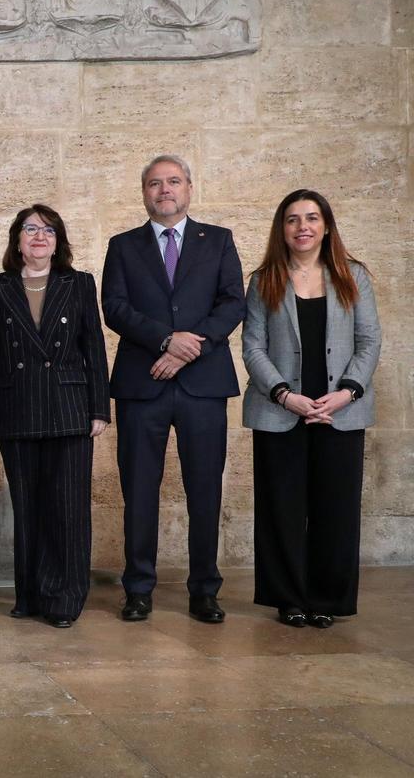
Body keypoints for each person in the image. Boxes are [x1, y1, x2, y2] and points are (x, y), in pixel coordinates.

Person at [101, 154, 246, 624]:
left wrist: (187, 348)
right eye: (155, 184)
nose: (165, 190)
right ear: (144, 192)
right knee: (139, 490)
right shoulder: (123, 246)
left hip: (203, 386)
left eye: (173, 182)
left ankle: (204, 589)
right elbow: (115, 309)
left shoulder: (218, 241)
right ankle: (138, 588)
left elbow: (232, 304)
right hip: (142, 387)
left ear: (189, 188)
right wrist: (165, 339)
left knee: (205, 490)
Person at [242, 189, 381, 629]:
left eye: (312, 218)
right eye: (292, 219)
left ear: (326, 225)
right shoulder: (264, 279)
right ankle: (289, 598)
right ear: (281, 229)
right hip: (281, 410)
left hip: (340, 411)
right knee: (280, 509)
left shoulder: (352, 275)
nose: (302, 227)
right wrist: (285, 394)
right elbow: (252, 346)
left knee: (335, 510)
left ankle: (327, 598)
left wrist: (347, 393)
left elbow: (369, 340)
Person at [0, 204, 110, 628]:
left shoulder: (79, 283)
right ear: (17, 240)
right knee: (27, 506)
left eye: (48, 230)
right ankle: (30, 594)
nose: (39, 236)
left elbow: (95, 348)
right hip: (15, 406)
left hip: (69, 407)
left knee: (67, 510)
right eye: (30, 229)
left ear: (58, 241)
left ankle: (65, 597)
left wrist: (99, 409)